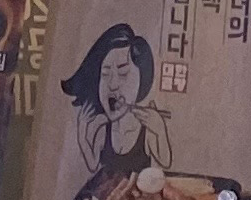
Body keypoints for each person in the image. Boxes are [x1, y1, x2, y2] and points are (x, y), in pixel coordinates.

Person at [59, 23, 171, 178]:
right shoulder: (102, 128)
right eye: (105, 74)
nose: (112, 85)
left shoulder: (146, 127)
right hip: (107, 193)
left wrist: (160, 130)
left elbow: (165, 162)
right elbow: (92, 165)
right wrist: (82, 134)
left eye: (123, 73)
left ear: (142, 77)